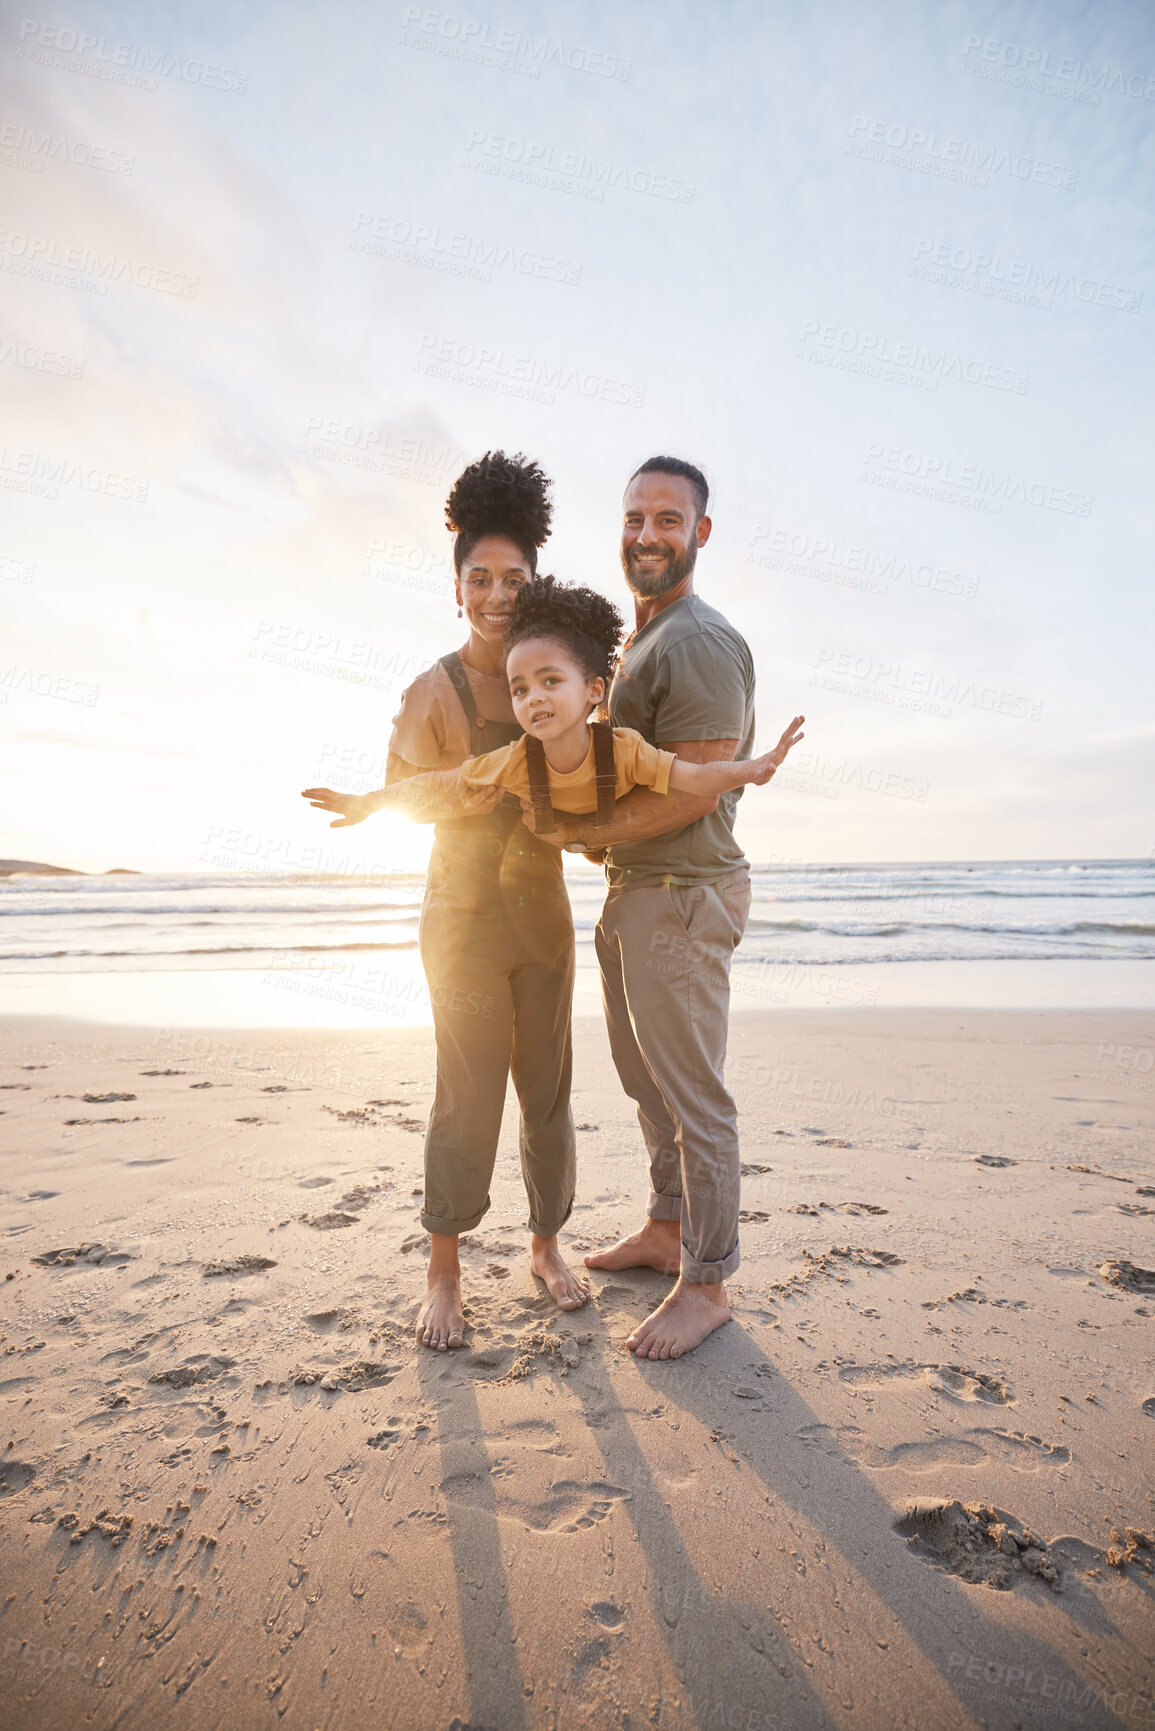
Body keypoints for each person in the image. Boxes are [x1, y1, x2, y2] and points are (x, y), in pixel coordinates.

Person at [302, 451, 589, 1351]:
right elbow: (404, 797)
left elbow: (594, 783)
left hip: (541, 910)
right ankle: (443, 1269)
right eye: (480, 578)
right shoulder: (432, 690)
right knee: (464, 1094)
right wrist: (390, 799)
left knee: (546, 1088)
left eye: (514, 579)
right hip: (460, 917)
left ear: (534, 585)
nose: (498, 594)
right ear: (456, 586)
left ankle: (546, 1244)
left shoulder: (554, 678)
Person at [527, 456, 767, 1361]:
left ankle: (705, 1282)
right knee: (647, 1084)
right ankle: (666, 1230)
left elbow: (696, 791)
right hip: (637, 893)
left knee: (693, 1096)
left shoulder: (697, 642)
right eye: (634, 518)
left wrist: (575, 837)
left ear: (699, 534)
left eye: (668, 519)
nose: (647, 535)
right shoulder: (646, 642)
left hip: (678, 898)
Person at [359, 575, 803, 827]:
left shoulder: (625, 750)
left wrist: (757, 767)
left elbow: (699, 778)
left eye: (550, 681)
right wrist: (370, 802)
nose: (534, 698)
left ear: (594, 690)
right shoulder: (515, 760)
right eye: (520, 689)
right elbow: (439, 783)